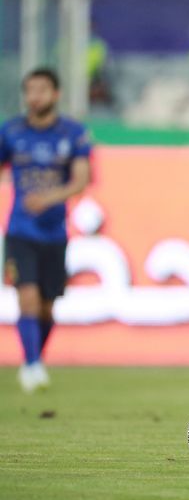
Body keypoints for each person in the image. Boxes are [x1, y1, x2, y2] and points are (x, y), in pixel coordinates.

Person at [0, 68, 92, 393]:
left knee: (47, 306)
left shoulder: (73, 133)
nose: (34, 97)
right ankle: (32, 365)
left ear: (55, 94)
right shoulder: (11, 132)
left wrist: (48, 198)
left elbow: (81, 180)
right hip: (20, 231)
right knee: (26, 296)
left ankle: (35, 358)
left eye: (41, 90)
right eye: (29, 90)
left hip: (54, 233)